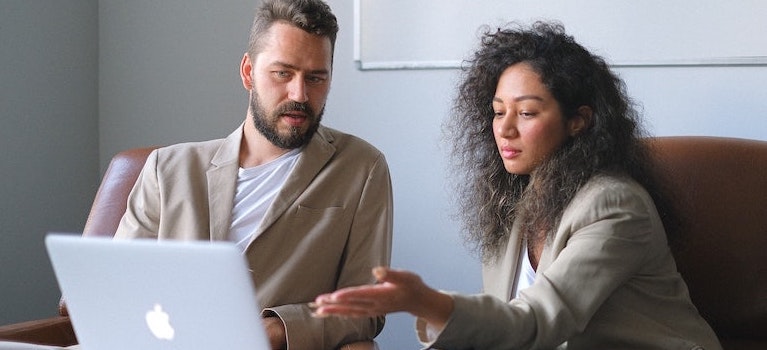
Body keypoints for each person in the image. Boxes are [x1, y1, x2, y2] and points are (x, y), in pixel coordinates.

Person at [313, 22, 722, 349]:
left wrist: (424, 301)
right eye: (497, 112)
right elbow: (501, 321)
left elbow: (539, 321)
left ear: (578, 120)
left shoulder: (615, 206)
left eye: (526, 112)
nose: (504, 129)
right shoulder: (515, 200)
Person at [114, 0, 393, 349]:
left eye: (316, 77)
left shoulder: (360, 168)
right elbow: (119, 288)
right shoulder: (167, 169)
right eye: (282, 73)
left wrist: (276, 331)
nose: (300, 94)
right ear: (248, 72)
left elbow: (367, 308)